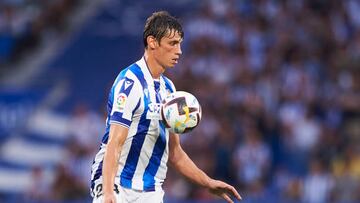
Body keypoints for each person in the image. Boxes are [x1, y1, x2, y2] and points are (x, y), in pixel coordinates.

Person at [90, 11, 242, 203]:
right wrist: (109, 192)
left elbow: (175, 153)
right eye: (173, 43)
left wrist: (207, 182)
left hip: (151, 190)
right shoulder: (129, 83)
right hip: (118, 184)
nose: (179, 51)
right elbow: (115, 143)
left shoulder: (169, 89)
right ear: (152, 42)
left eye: (180, 44)